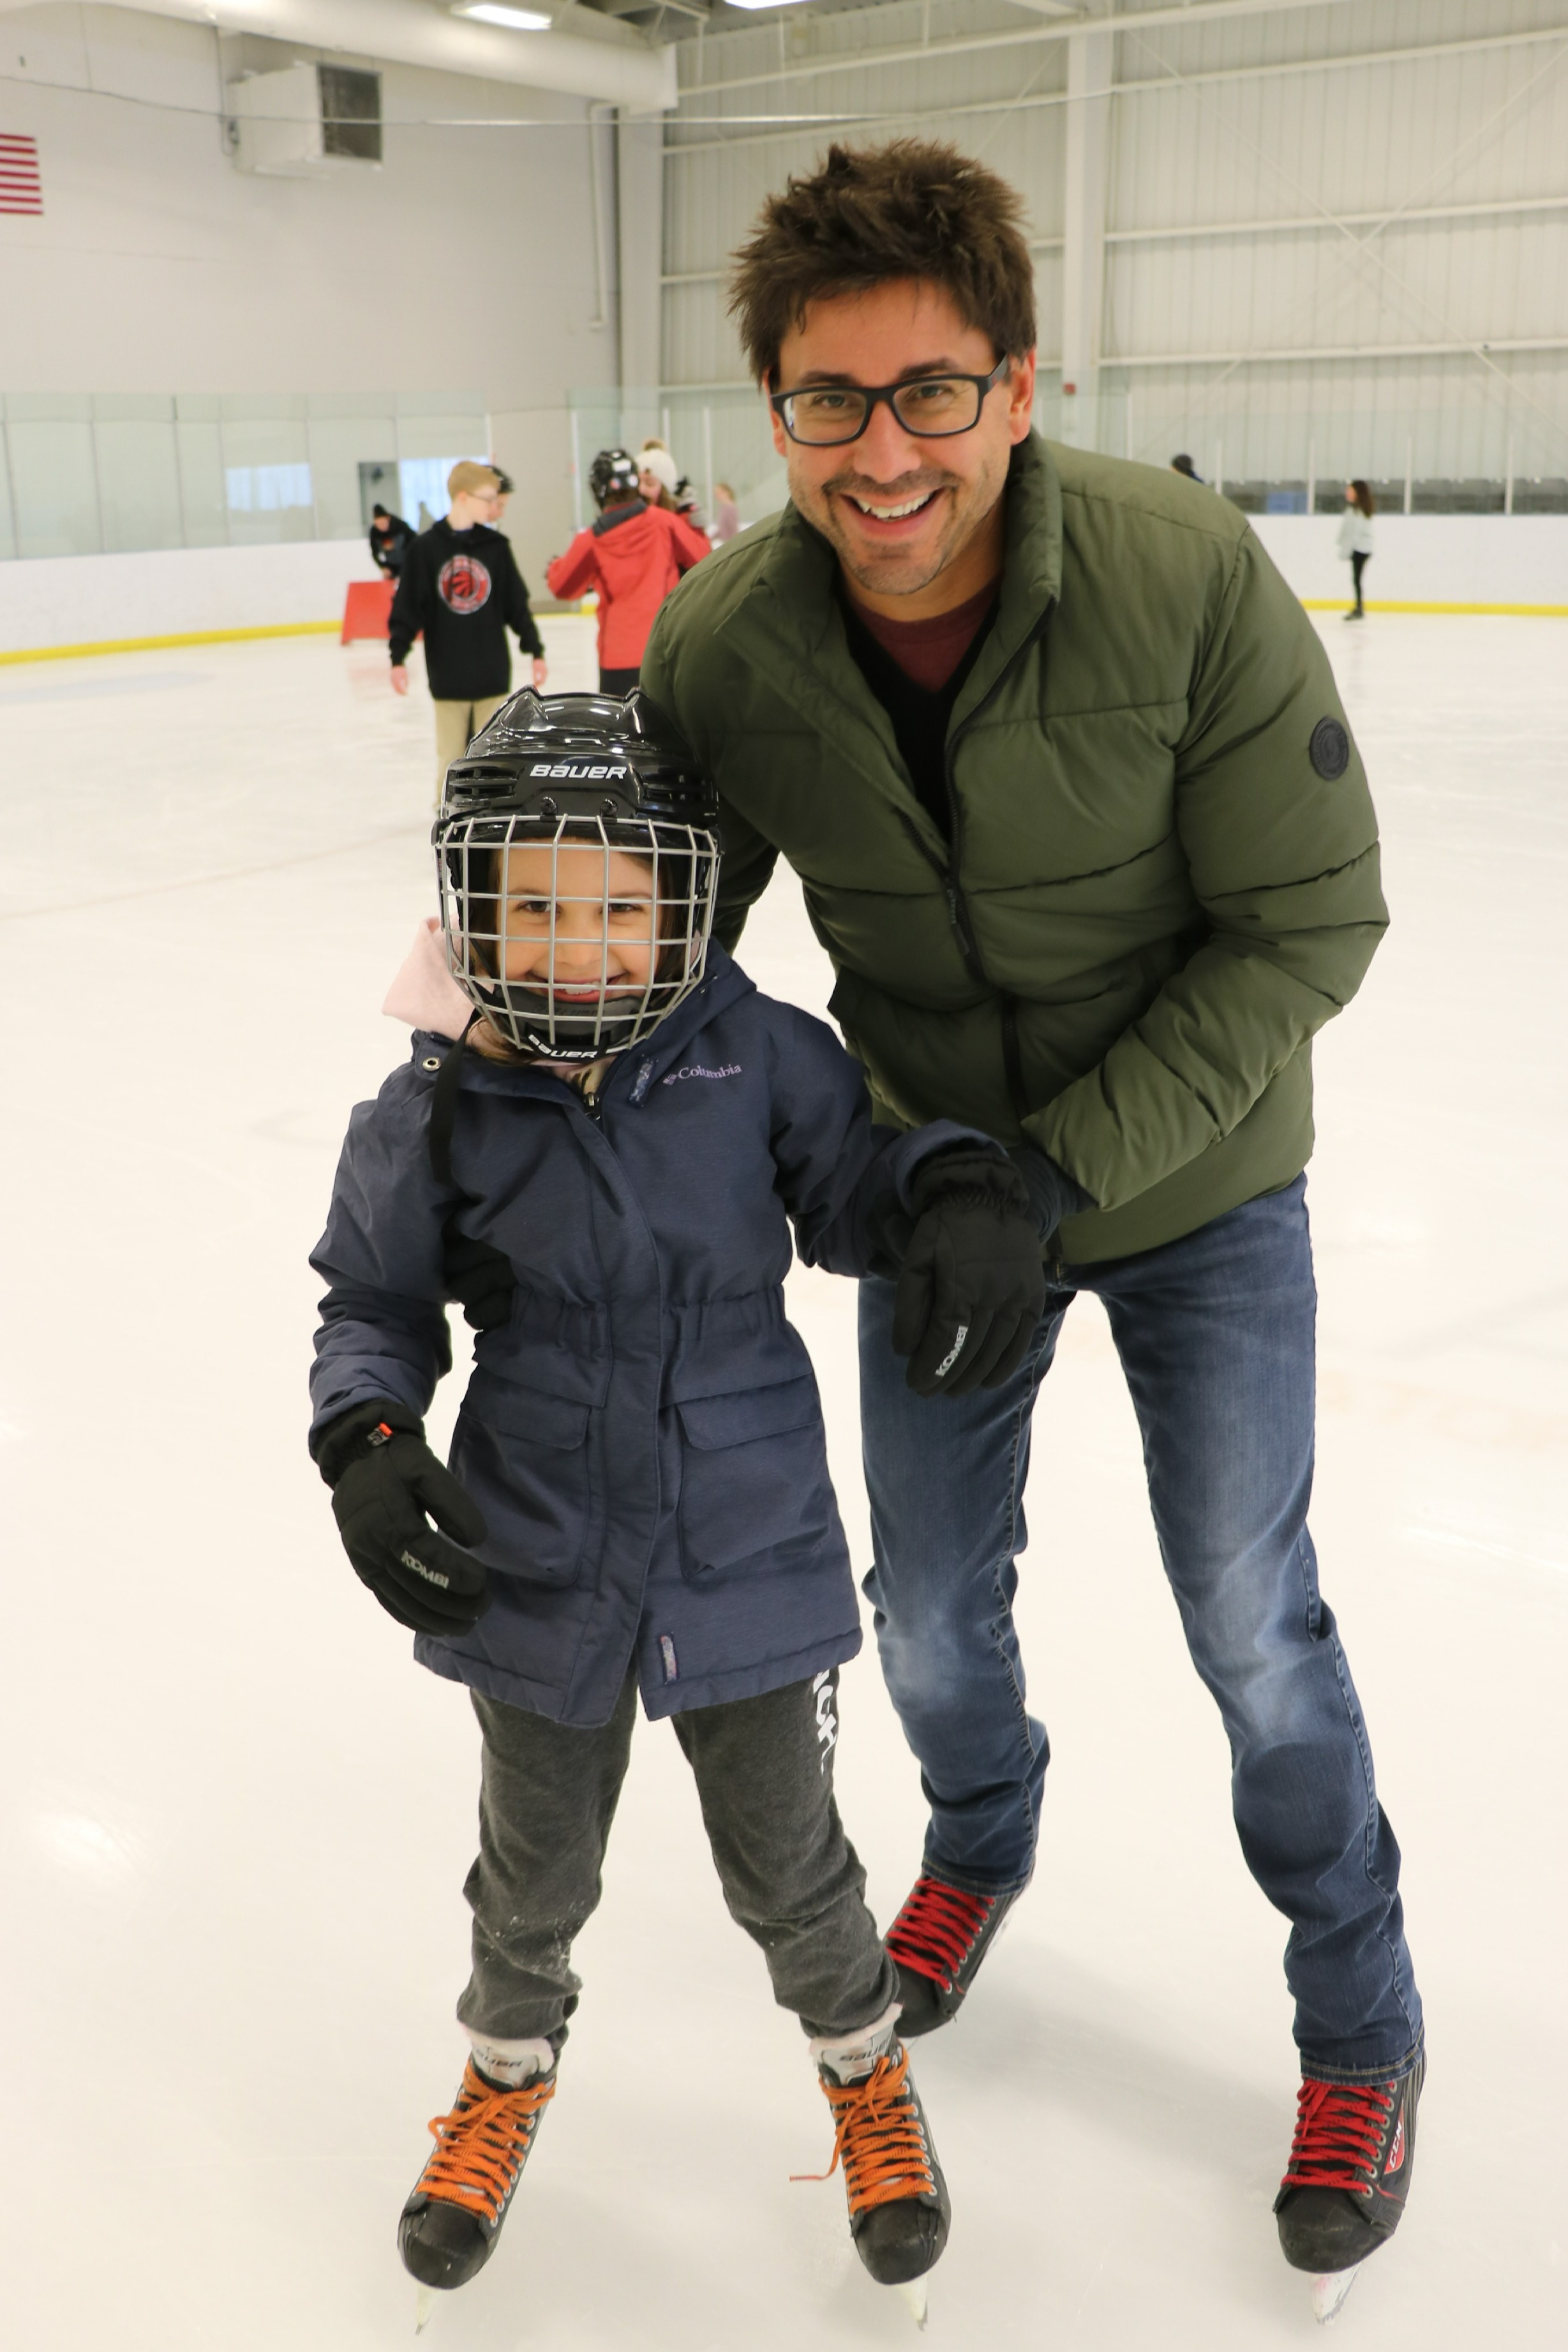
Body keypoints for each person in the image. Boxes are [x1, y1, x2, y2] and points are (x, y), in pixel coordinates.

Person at [640, 138, 1424, 2318]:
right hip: (922, 1184)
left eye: (928, 393)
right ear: (770, 409)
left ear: (1014, 381)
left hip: (1188, 1188)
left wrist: (1055, 1170)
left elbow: (1303, 924)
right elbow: (657, 959)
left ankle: (1357, 2013)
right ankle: (976, 1842)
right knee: (924, 1613)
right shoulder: (728, 643)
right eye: (825, 401)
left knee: (1246, 1607)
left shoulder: (1178, 577)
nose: (879, 453)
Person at [308, 689, 1051, 2316]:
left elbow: (862, 1189)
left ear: (687, 902)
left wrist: (952, 1183)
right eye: (539, 908)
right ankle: (501, 2078)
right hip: (538, 1556)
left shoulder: (755, 1055)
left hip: (746, 1544)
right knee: (533, 1869)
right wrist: (365, 1435)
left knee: (791, 1867)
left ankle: (864, 2070)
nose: (581, 945)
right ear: (475, 905)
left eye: (623, 906)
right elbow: (370, 1299)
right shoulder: (434, 1101)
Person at [388, 461, 548, 800]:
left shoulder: (496, 547)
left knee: (491, 754)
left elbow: (515, 604)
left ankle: (491, 807)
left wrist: (535, 649)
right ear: (463, 497)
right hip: (448, 676)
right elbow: (407, 609)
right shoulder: (425, 550)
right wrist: (398, 657)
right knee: (451, 755)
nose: (494, 506)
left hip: (491, 672)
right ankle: (448, 809)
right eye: (488, 498)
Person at [546, 449, 708, 694]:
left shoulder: (591, 540)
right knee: (671, 730)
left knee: (623, 731)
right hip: (665, 649)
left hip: (618, 659)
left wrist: (555, 568)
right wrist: (689, 516)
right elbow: (704, 560)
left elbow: (562, 586)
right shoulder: (665, 522)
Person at [1338, 480, 1375, 619]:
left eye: (1350, 490)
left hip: (1361, 549)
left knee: (1356, 579)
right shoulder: (1355, 510)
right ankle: (1359, 607)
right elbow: (1346, 531)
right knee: (1356, 580)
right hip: (1360, 548)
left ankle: (1359, 608)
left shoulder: (1358, 511)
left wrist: (1346, 551)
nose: (1347, 493)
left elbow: (1355, 534)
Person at [369, 501, 414, 579]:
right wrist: (383, 567)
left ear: (388, 519)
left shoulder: (400, 526)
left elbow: (415, 543)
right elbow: (375, 553)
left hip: (407, 562)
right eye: (378, 525)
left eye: (383, 523)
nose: (381, 527)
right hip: (391, 564)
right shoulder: (375, 532)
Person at [711, 480, 742, 544]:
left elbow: (733, 529)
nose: (717, 496)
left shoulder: (730, 508)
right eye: (716, 494)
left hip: (732, 544)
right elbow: (722, 530)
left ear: (727, 493)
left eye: (719, 493)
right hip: (726, 544)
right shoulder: (723, 508)